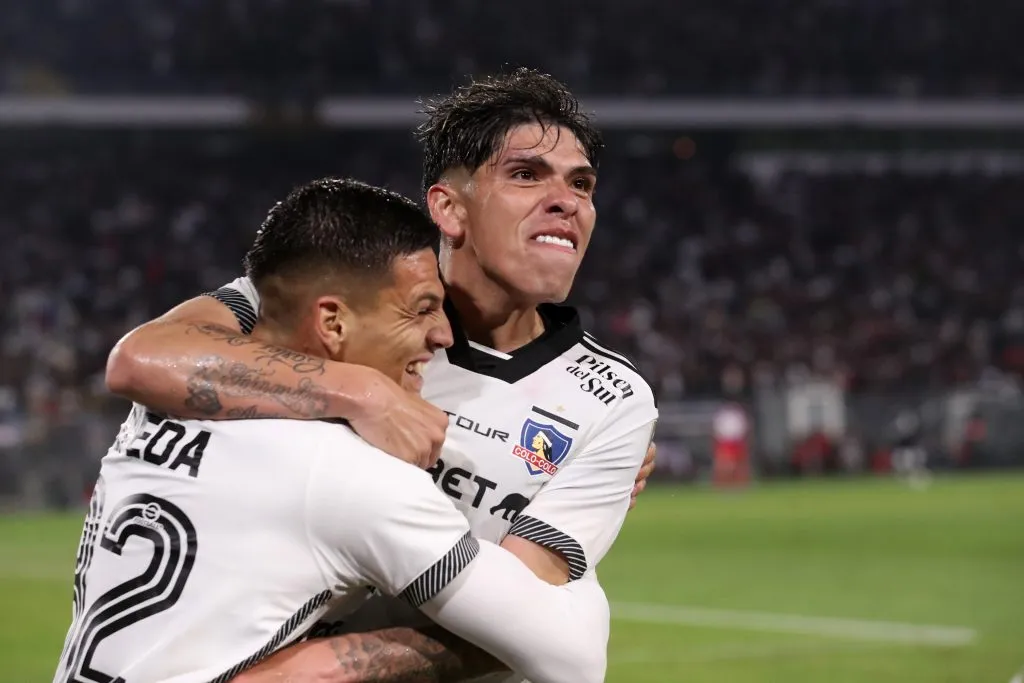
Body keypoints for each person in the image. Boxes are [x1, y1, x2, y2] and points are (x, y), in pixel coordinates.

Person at [104, 68, 658, 680]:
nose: (567, 200)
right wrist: (360, 393)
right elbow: (144, 358)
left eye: (582, 185)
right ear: (449, 208)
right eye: (525, 174)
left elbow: (520, 606)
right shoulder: (349, 297)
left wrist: (315, 672)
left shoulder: (614, 401)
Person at [54, 178, 609, 683]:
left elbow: (149, 352)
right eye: (420, 310)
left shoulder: (166, 407)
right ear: (333, 322)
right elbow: (572, 657)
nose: (443, 335)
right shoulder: (354, 475)